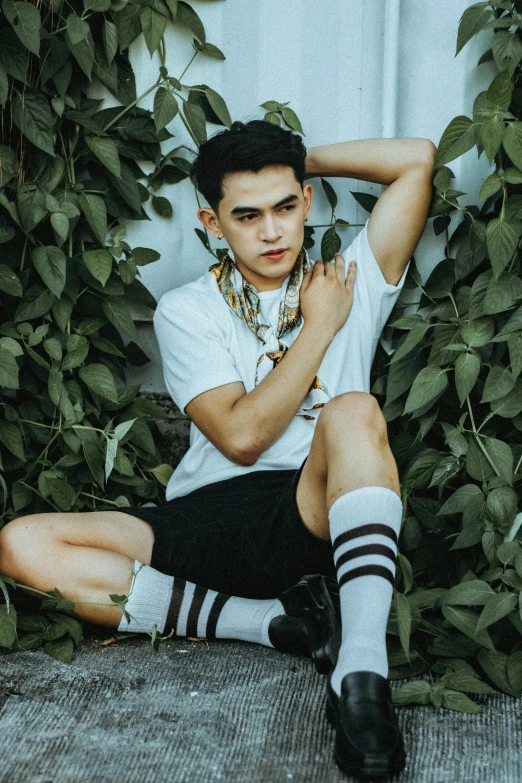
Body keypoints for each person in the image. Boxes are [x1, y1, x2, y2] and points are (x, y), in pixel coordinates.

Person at [0, 119, 435, 779]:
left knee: (353, 411)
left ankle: (362, 676)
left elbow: (416, 160)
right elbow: (241, 436)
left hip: (312, 505)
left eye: (287, 206)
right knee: (22, 544)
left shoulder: (351, 278)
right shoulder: (187, 308)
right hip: (207, 518)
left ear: (308, 201)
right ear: (212, 220)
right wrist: (319, 329)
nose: (272, 230)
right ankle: (273, 623)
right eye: (248, 213)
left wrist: (295, 158)